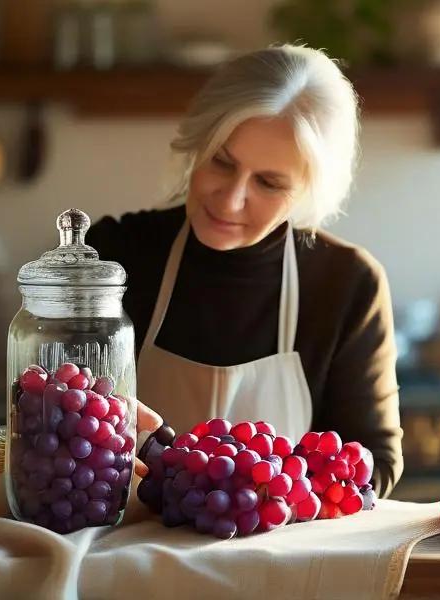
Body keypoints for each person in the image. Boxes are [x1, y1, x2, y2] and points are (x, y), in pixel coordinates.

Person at [85, 44, 404, 499]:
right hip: (123, 557)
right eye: (221, 161)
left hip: (280, 560)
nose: (231, 199)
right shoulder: (115, 256)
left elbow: (375, 462)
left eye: (269, 183)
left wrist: (268, 498)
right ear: (198, 141)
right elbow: (55, 428)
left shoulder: (347, 285)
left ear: (309, 190)